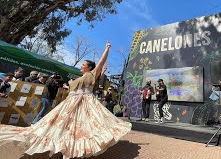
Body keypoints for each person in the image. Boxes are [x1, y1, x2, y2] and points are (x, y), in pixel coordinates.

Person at [0, 42, 131, 159]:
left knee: (81, 126)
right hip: (71, 102)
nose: (81, 66)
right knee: (61, 125)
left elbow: (101, 62)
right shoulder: (80, 78)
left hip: (84, 102)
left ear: (89, 68)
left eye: (83, 64)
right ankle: (64, 148)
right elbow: (74, 89)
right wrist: (68, 86)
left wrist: (107, 49)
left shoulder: (91, 74)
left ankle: (72, 150)